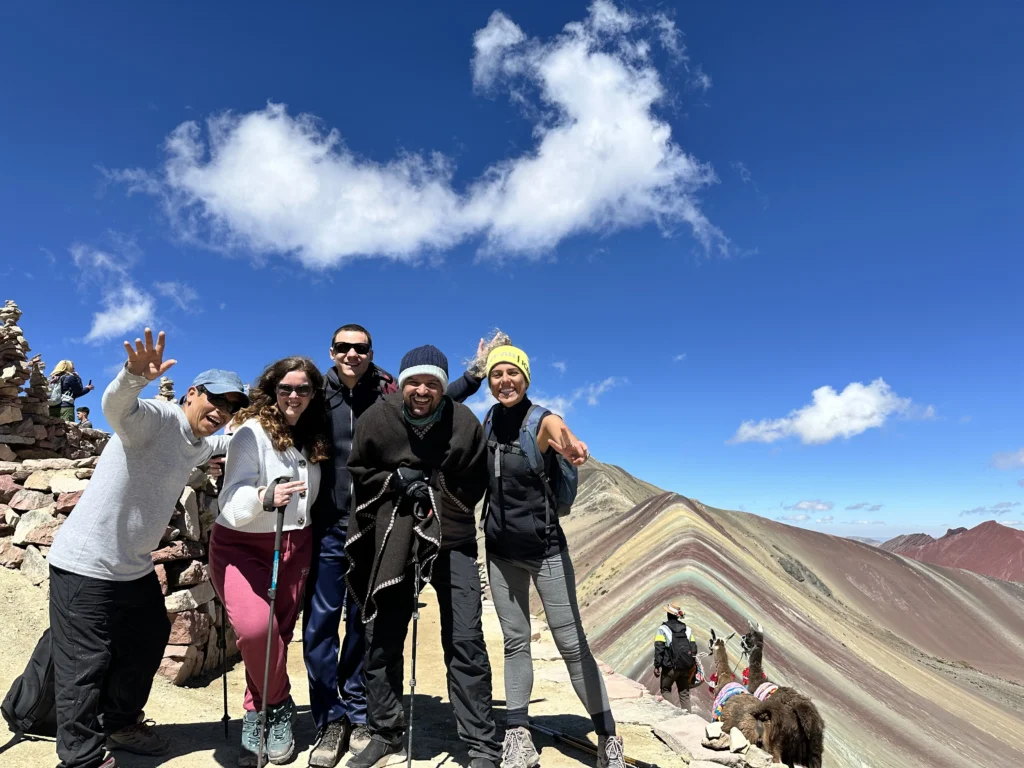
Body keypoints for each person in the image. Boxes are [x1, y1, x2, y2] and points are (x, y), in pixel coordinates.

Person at [47, 329, 246, 768]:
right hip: (85, 564)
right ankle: (80, 758)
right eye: (217, 399)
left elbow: (228, 443)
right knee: (87, 662)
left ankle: (118, 722)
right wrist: (133, 376)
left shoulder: (197, 444)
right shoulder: (156, 418)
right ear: (191, 393)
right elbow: (116, 408)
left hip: (131, 568)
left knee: (148, 638)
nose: (223, 412)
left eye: (231, 408)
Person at [304, 325, 489, 768]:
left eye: (432, 384)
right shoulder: (379, 418)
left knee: (465, 639)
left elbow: (474, 481)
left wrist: (434, 488)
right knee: (382, 635)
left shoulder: (463, 424)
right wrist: (396, 482)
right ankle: (385, 731)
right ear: (402, 384)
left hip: (453, 539)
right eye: (414, 382)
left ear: (443, 388)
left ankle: (481, 743)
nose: (422, 391)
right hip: (393, 536)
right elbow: (361, 469)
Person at [481, 346, 624, 768]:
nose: (504, 380)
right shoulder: (488, 419)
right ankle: (518, 735)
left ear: (526, 378)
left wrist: (572, 447)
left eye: (513, 373)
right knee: (514, 643)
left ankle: (608, 736)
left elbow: (562, 434)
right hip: (500, 551)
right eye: (497, 374)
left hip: (545, 551)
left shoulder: (540, 420)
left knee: (571, 644)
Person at [211, 357, 330, 766]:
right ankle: (275, 706)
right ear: (272, 391)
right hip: (241, 546)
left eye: (303, 389)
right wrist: (262, 498)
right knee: (256, 629)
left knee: (277, 633)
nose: (294, 396)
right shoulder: (251, 432)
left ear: (314, 394)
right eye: (286, 389)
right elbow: (230, 497)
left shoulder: (314, 435)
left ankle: (258, 708)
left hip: (295, 544)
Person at [653, 602, 699, 713]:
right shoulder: (687, 629)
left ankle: (674, 714)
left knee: (665, 690)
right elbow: (693, 649)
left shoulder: (663, 629)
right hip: (685, 667)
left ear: (668, 615)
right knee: (684, 693)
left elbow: (659, 649)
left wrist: (657, 665)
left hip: (670, 668)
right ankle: (688, 716)